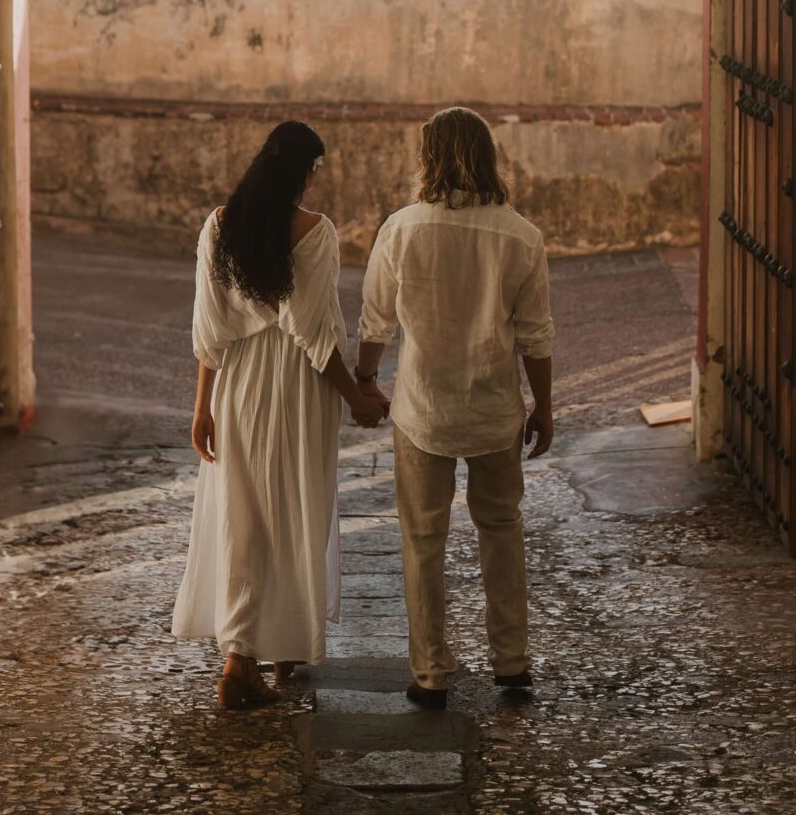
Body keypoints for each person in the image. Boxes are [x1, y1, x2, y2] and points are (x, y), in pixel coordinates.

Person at [173, 119, 390, 711]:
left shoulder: (220, 226)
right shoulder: (315, 232)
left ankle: (263, 648)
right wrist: (356, 399)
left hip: (238, 384)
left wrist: (202, 405)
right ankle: (247, 661)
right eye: (315, 170)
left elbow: (210, 328)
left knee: (243, 514)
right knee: (296, 508)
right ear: (303, 172)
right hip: (297, 387)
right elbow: (314, 334)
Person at [354, 104, 555, 706]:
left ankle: (430, 675)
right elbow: (536, 336)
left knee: (422, 538)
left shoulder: (402, 229)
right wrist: (543, 407)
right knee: (502, 529)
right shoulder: (521, 236)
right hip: (495, 410)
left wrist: (365, 380)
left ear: (430, 158)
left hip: (423, 410)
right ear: (488, 157)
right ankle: (511, 664)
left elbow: (375, 321)